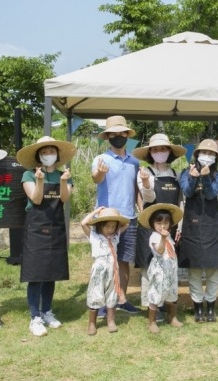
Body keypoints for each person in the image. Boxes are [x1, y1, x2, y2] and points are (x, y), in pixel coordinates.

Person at [16, 136, 77, 337]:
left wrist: (63, 181)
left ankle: (47, 311)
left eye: (51, 151)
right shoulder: (29, 175)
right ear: (38, 156)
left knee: (51, 272)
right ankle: (35, 317)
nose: (47, 155)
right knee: (36, 274)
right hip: (36, 228)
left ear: (57, 155)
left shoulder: (64, 175)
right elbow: (36, 198)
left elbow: (64, 199)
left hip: (56, 228)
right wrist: (40, 181)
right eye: (44, 152)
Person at [91, 115, 142, 316]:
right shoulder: (100, 159)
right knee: (105, 262)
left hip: (129, 218)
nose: (118, 137)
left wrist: (142, 210)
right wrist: (101, 173)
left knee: (123, 261)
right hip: (106, 220)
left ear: (127, 136)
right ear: (108, 137)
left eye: (122, 133)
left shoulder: (135, 162)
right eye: (113, 134)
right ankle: (103, 302)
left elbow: (136, 189)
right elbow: (96, 178)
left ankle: (121, 299)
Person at [132, 133, 186, 318]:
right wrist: (146, 183)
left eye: (163, 149)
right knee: (149, 268)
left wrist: (179, 226)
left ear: (169, 151)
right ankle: (151, 307)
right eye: (155, 149)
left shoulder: (175, 174)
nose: (159, 152)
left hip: (169, 228)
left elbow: (180, 201)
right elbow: (148, 198)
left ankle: (165, 303)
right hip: (149, 226)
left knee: (167, 265)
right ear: (150, 153)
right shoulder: (145, 172)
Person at [179, 139, 218, 323]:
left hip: (211, 225)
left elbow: (211, 194)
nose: (207, 156)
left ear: (216, 157)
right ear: (196, 155)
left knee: (213, 270)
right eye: (203, 153)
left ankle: (211, 306)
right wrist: (193, 178)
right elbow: (188, 192)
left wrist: (205, 178)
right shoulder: (185, 172)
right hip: (192, 225)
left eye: (211, 154)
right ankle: (198, 307)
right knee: (194, 270)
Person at [80, 207, 129, 335]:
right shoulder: (94, 236)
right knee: (95, 294)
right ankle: (92, 323)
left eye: (113, 226)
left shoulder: (115, 236)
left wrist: (116, 216)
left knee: (112, 295)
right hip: (99, 270)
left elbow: (127, 223)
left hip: (113, 269)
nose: (110, 229)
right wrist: (96, 213)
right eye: (107, 226)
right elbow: (83, 223)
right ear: (100, 226)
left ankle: (111, 321)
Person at [138, 203, 184, 334]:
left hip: (171, 270)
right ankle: (152, 321)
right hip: (160, 272)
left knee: (172, 294)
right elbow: (159, 251)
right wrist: (163, 238)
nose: (162, 226)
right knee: (156, 295)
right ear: (153, 224)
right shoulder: (155, 237)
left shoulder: (169, 236)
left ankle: (172, 317)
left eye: (166, 222)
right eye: (159, 223)